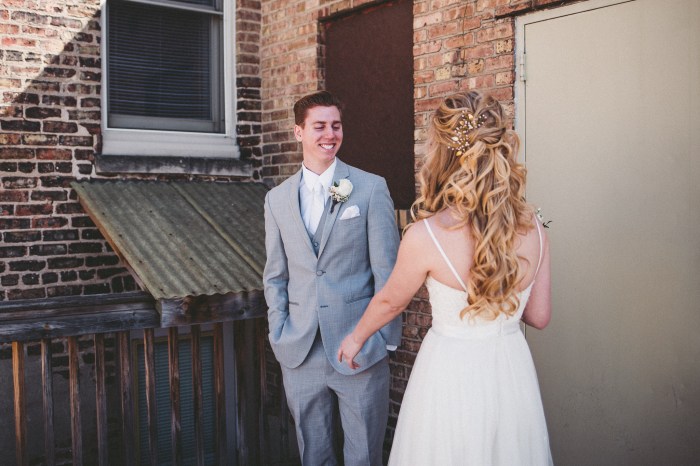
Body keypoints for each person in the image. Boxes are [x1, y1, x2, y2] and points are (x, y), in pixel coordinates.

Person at [338, 90, 554, 465]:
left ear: (442, 152)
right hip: (511, 370)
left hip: (452, 372)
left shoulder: (427, 235)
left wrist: (356, 338)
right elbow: (538, 316)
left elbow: (391, 301)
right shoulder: (534, 227)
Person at [263, 90, 401, 466]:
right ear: (298, 132)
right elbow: (275, 275)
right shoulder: (277, 199)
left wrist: (384, 341)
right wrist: (279, 333)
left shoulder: (369, 187)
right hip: (299, 349)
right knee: (314, 454)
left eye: (336, 125)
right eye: (320, 126)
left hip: (359, 348)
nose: (330, 134)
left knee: (364, 455)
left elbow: (387, 270)